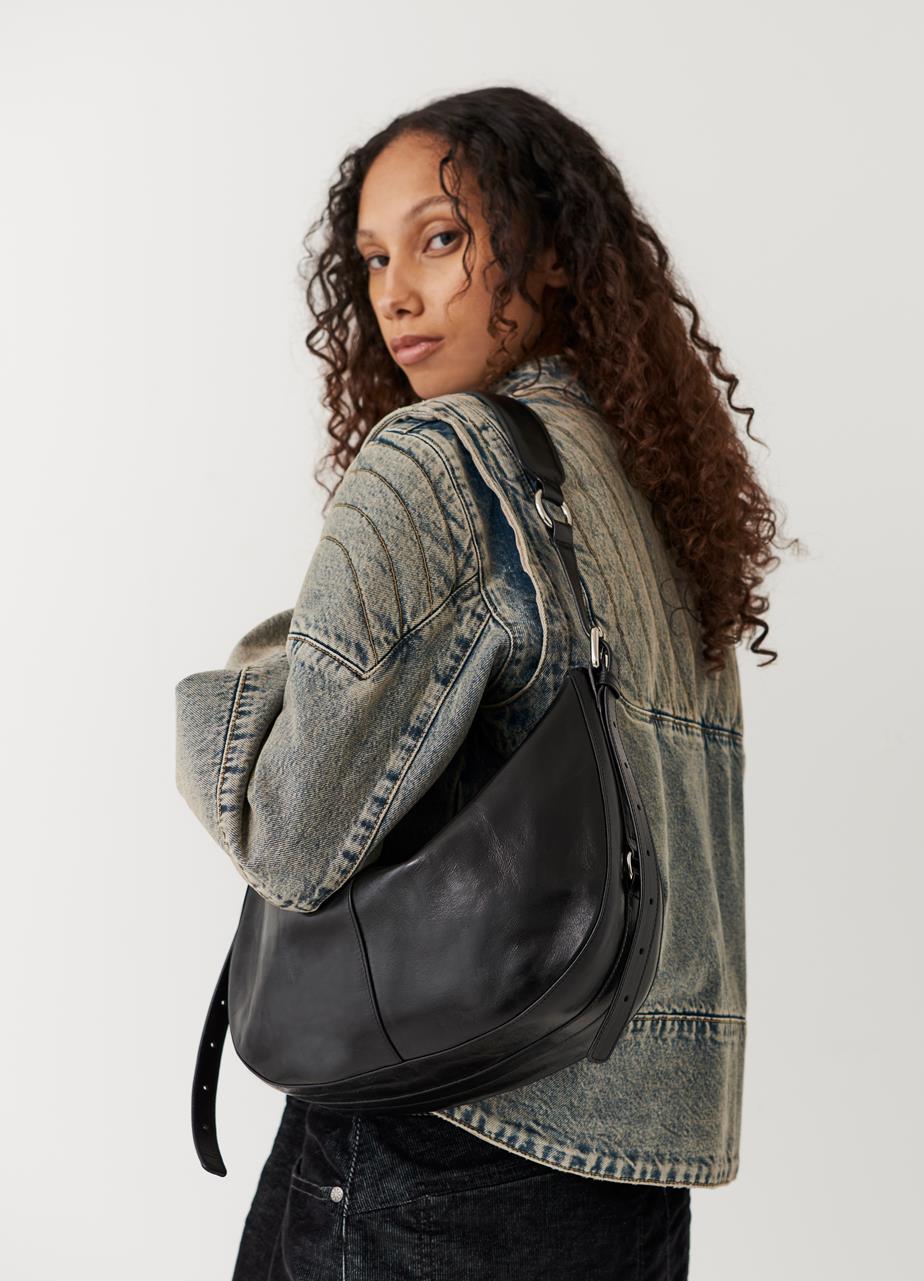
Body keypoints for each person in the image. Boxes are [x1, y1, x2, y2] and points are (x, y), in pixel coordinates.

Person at [175, 85, 789, 1280]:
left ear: (552, 253)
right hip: (634, 1170)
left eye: (441, 238)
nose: (395, 294)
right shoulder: (654, 495)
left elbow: (289, 834)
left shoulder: (438, 462)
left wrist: (254, 677)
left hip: (440, 1139)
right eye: (373, 258)